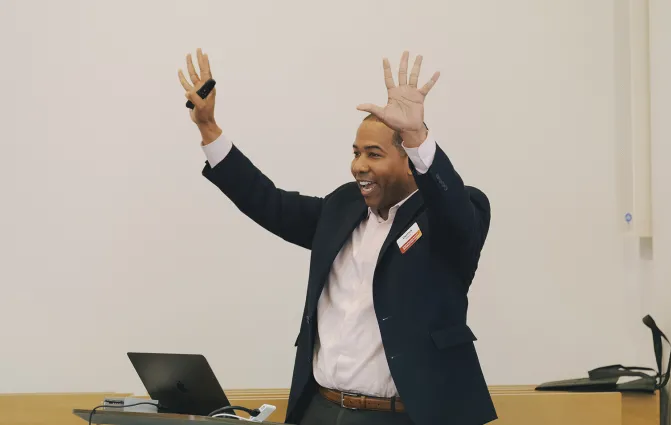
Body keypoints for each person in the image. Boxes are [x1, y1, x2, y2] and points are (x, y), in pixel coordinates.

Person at [178, 48, 497, 425]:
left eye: (374, 154)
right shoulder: (343, 207)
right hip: (322, 408)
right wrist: (209, 128)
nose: (359, 166)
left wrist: (417, 135)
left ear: (410, 162)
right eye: (356, 153)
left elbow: (454, 212)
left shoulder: (450, 217)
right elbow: (269, 203)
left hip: (404, 416)